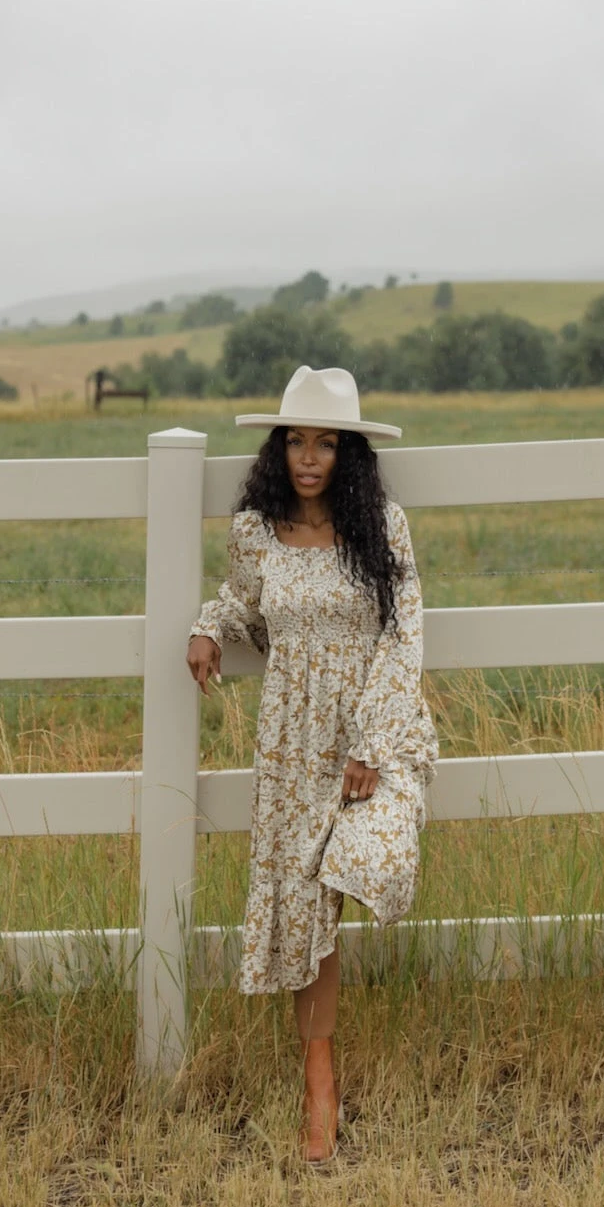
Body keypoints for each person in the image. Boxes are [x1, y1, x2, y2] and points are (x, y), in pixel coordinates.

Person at [186, 365, 438, 1163]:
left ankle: (326, 1078)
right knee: (302, 905)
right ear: (278, 449)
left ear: (348, 454)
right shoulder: (256, 530)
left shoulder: (381, 526)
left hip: (372, 730)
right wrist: (208, 626)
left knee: (366, 860)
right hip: (291, 739)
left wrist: (370, 743)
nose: (308, 457)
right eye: (295, 441)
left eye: (326, 443)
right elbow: (244, 602)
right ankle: (318, 1085)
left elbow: (404, 634)